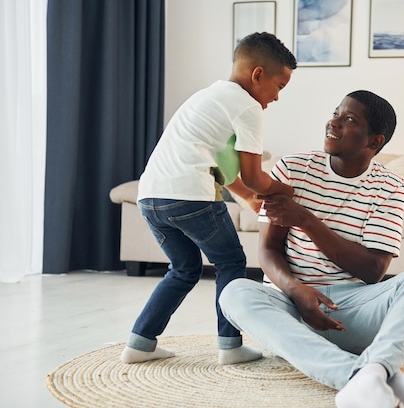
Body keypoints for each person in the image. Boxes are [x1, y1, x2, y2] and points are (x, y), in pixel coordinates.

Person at [219, 90, 404, 408]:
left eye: (349, 119)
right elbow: (268, 251)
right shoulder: (293, 168)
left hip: (349, 311)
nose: (333, 122)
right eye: (335, 112)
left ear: (373, 142)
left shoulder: (389, 187)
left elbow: (372, 271)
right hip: (290, 305)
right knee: (234, 293)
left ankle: (373, 370)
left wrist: (307, 220)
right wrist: (296, 290)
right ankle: (366, 377)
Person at [120, 32, 297, 365]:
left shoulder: (208, 96)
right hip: (189, 197)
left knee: (184, 269)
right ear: (258, 75)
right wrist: (294, 190)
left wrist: (247, 199)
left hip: (151, 198)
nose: (276, 98)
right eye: (279, 87)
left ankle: (140, 343)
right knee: (230, 263)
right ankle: (230, 346)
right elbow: (255, 176)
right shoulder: (248, 107)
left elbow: (225, 169)